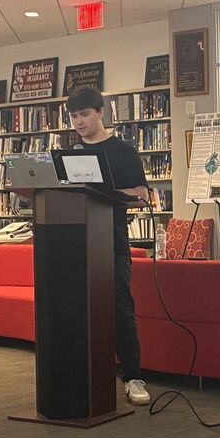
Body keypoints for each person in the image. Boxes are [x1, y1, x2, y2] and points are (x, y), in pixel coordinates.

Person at [66, 87, 151, 405]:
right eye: (74, 116)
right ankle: (84, 375)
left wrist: (109, 193)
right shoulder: (71, 154)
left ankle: (133, 376)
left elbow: (142, 195)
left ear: (101, 113)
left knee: (120, 308)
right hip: (76, 245)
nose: (79, 122)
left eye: (85, 114)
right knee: (78, 311)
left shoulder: (123, 151)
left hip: (112, 243)